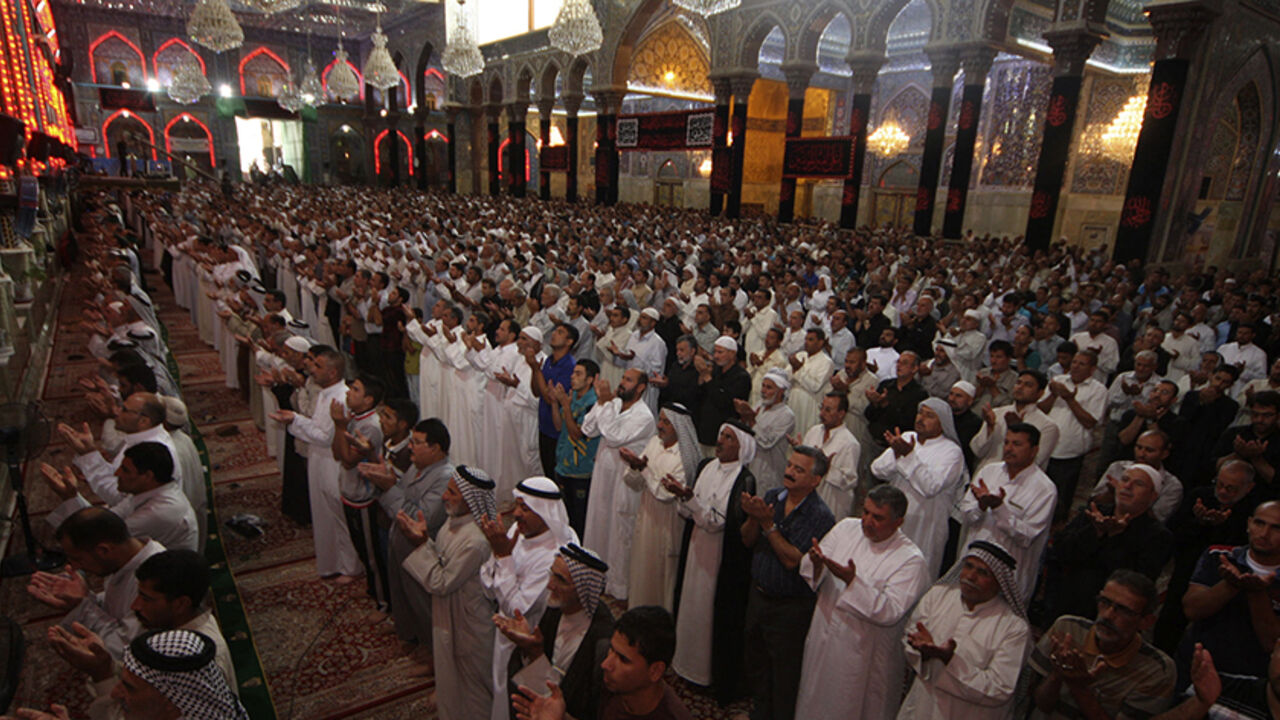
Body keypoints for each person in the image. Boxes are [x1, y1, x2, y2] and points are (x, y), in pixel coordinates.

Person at [794, 485, 930, 720]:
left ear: (898, 522)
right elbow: (814, 565)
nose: (867, 521)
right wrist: (816, 563)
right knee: (813, 699)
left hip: (864, 653)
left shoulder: (910, 560)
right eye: (865, 512)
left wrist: (852, 582)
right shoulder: (846, 527)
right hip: (824, 638)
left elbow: (891, 611)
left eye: (878, 517)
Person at [740, 446, 835, 720]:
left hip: (789, 608)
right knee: (756, 666)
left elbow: (792, 560)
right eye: (790, 465)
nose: (789, 472)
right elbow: (747, 540)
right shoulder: (773, 497)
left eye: (798, 469)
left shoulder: (820, 516)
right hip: (758, 596)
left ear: (815, 480)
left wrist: (768, 525)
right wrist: (752, 517)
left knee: (784, 676)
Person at [669, 421, 757, 703]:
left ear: (742, 447)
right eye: (721, 435)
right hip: (696, 545)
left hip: (718, 556)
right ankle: (683, 664)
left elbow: (721, 522)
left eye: (729, 438)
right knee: (689, 605)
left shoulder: (743, 479)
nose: (720, 441)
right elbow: (691, 509)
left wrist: (690, 501)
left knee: (708, 613)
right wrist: (684, 498)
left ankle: (704, 674)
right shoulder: (707, 466)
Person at [401, 465, 498, 720]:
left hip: (469, 624)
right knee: (451, 679)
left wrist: (420, 545)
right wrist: (426, 542)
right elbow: (442, 561)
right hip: (450, 615)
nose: (445, 496)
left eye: (453, 493)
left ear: (470, 499)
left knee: (475, 690)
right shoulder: (454, 523)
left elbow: (441, 582)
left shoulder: (475, 541)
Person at [897, 540, 1030, 720]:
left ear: (1000, 582)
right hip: (923, 707)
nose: (971, 576)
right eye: (968, 566)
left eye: (982, 572)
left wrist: (950, 661)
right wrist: (924, 654)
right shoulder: (938, 595)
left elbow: (999, 688)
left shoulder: (1013, 627)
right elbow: (909, 637)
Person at [481, 476, 578, 720]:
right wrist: (500, 556)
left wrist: (504, 557)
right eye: (517, 505)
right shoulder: (518, 532)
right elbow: (487, 584)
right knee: (501, 696)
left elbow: (517, 610)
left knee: (523, 704)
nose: (516, 514)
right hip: (504, 637)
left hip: (529, 641)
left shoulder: (554, 552)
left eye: (525, 508)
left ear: (545, 512)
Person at [1027, 570, 1176, 720]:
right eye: (1105, 602)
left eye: (1124, 610)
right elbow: (1037, 703)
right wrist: (1057, 674)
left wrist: (1078, 687)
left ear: (1146, 622)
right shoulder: (1067, 629)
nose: (1108, 615)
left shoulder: (1156, 670)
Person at [270, 345, 363, 581]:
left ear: (332, 372)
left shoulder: (341, 397)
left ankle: (350, 566)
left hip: (333, 462)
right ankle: (332, 562)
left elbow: (326, 437)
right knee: (324, 513)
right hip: (318, 459)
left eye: (317, 366)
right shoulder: (324, 393)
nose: (311, 369)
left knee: (338, 514)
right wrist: (296, 420)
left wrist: (295, 420)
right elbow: (318, 429)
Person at [27, 507, 166, 659]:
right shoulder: (124, 560)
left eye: (77, 559)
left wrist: (82, 606)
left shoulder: (154, 580)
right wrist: (83, 598)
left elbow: (125, 648)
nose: (74, 567)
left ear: (103, 550)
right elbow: (115, 608)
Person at [511, 605, 694, 720]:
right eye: (611, 650)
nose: (606, 664)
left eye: (623, 659)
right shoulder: (611, 683)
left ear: (655, 671)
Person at [498, 544, 615, 720]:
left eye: (561, 580)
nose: (550, 585)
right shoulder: (555, 610)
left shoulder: (602, 637)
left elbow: (592, 701)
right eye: (551, 574)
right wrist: (530, 649)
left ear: (582, 589)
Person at [1044, 464, 1175, 620]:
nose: (1127, 486)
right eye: (1124, 479)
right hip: (1066, 606)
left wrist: (1115, 537)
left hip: (1111, 617)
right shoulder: (1093, 513)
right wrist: (1096, 532)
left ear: (1153, 496)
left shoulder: (1158, 536)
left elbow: (1136, 584)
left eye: (1138, 484)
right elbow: (1060, 551)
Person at [1178, 500, 1280, 688]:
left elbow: (1272, 643)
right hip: (1196, 666)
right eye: (1259, 523)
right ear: (1249, 523)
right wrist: (1230, 585)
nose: (1264, 534)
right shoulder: (1218, 556)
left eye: (1276, 528)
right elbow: (1191, 610)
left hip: (1253, 681)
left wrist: (1256, 592)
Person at [956, 422, 1056, 603]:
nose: (1009, 448)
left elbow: (1027, 537)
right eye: (1007, 442)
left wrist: (998, 508)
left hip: (1008, 576)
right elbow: (965, 515)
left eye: (1017, 444)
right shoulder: (989, 471)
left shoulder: (1045, 489)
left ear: (1034, 450)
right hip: (971, 565)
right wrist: (981, 506)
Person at [870, 397, 969, 575]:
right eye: (920, 413)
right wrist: (897, 455)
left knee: (916, 572)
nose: (921, 419)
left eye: (929, 415)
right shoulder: (907, 437)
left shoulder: (951, 452)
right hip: (893, 519)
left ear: (942, 424)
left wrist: (908, 456)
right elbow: (877, 470)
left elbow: (930, 487)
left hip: (925, 526)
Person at [42, 441, 198, 553]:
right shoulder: (146, 492)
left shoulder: (159, 511)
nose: (117, 474)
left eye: (125, 470)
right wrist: (71, 495)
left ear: (147, 476)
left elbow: (102, 535)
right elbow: (108, 518)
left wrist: (70, 497)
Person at [581, 368, 656, 598]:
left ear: (641, 388)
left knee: (620, 534)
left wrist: (605, 403)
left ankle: (618, 587)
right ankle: (595, 575)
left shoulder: (644, 416)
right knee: (598, 523)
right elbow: (588, 428)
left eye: (628, 380)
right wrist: (602, 403)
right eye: (623, 378)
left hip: (623, 482)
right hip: (603, 477)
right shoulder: (613, 404)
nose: (622, 383)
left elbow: (614, 437)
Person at [622, 403, 700, 610]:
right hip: (646, 517)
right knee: (642, 569)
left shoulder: (684, 457)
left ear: (678, 426)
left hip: (669, 523)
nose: (660, 425)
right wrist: (634, 467)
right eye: (660, 420)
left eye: (666, 422)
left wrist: (644, 469)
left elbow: (665, 494)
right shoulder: (654, 443)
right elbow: (634, 483)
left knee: (663, 574)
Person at [1039, 350, 1108, 521]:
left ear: (1092, 369)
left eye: (1081, 364)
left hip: (1070, 451)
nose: (1075, 366)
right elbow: (1040, 410)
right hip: (1045, 447)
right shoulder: (1058, 381)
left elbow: (1090, 422)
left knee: (1061, 498)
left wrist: (1069, 399)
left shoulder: (1098, 390)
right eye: (1074, 362)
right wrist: (1054, 394)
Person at [548, 358, 602, 537]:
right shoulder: (572, 397)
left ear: (590, 379)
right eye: (573, 373)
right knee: (563, 516)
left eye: (578, 374)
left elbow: (576, 434)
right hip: (563, 464)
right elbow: (559, 426)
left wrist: (565, 405)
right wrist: (555, 403)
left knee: (578, 520)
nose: (572, 377)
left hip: (581, 470)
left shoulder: (593, 403)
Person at [970, 370, 1059, 472]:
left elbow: (1035, 462)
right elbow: (977, 451)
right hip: (987, 473)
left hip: (1021, 480)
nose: (1020, 387)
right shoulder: (996, 414)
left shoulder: (1048, 426)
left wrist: (1018, 427)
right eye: (1018, 383)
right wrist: (989, 428)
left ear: (1040, 393)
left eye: (1028, 385)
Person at [799, 393, 860, 520]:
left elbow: (850, 481)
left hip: (832, 505)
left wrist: (828, 469)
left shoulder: (850, 443)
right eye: (821, 408)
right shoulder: (814, 431)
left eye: (828, 410)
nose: (822, 413)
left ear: (841, 414)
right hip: (807, 501)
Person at [735, 368, 796, 495]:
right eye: (763, 386)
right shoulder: (759, 405)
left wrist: (751, 419)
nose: (763, 391)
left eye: (769, 387)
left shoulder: (786, 415)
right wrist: (743, 416)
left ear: (781, 391)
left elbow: (767, 442)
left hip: (769, 472)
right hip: (750, 466)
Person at [696, 336, 752, 451]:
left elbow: (725, 403)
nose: (716, 356)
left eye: (720, 352)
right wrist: (702, 379)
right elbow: (703, 396)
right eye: (715, 352)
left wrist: (708, 379)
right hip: (705, 430)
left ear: (732, 354)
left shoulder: (741, 377)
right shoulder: (716, 370)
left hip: (723, 435)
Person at [865, 351, 929, 448]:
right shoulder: (885, 385)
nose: (899, 365)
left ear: (915, 368)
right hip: (873, 440)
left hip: (899, 444)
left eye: (904, 363)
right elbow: (868, 415)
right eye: (898, 362)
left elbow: (908, 423)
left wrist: (885, 405)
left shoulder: (919, 394)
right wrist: (875, 403)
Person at [787, 329, 834, 434]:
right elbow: (787, 376)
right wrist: (795, 370)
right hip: (793, 398)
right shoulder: (800, 355)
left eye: (811, 340)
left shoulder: (826, 362)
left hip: (810, 404)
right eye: (806, 339)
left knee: (805, 434)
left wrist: (799, 369)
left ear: (820, 342)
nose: (806, 342)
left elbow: (815, 387)